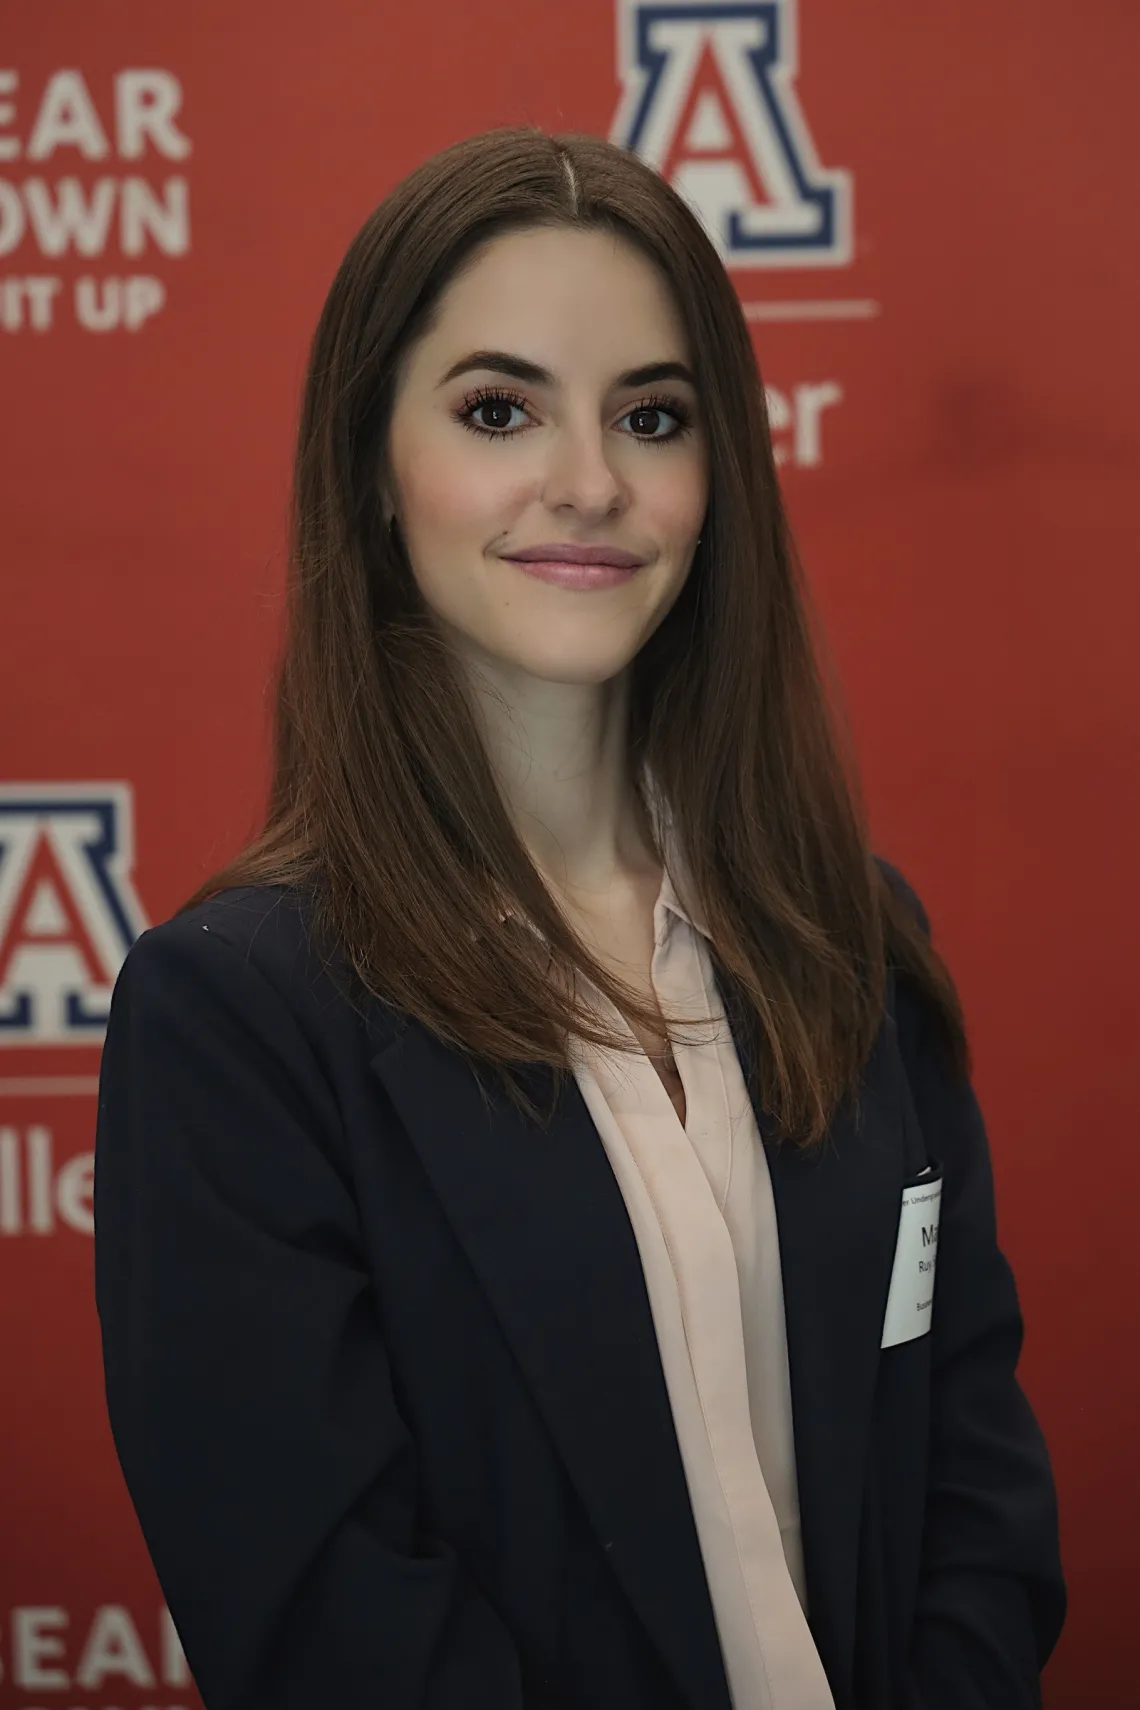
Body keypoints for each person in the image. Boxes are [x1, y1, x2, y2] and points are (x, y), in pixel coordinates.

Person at [93, 126, 1064, 1710]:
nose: (591, 481)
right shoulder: (237, 1020)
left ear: (717, 473)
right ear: (372, 472)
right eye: (497, 409)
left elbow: (977, 1505)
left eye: (652, 415)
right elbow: (330, 1621)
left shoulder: (857, 947)